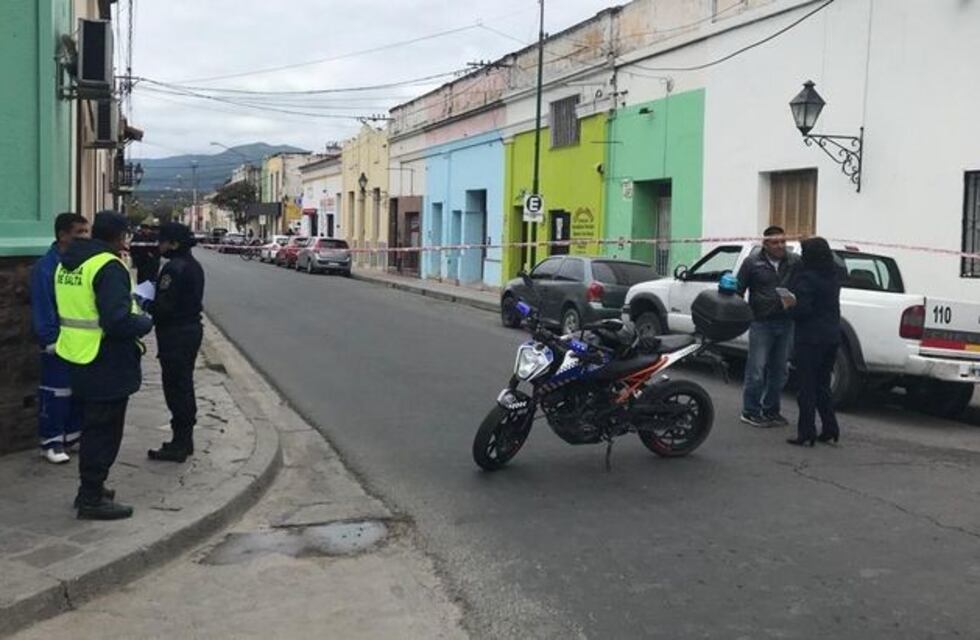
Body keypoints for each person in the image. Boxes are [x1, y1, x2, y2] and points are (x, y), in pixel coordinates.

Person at [55, 211, 153, 520]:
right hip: (106, 360)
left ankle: (91, 487)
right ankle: (91, 498)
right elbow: (117, 320)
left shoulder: (68, 262)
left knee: (92, 427)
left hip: (78, 355)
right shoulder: (108, 266)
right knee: (104, 431)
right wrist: (145, 322)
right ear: (119, 236)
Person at [30, 212, 90, 463]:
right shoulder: (46, 267)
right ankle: (51, 442)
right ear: (63, 235)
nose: (85, 237)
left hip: (79, 341)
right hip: (57, 342)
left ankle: (72, 436)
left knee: (76, 392)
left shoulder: (81, 263)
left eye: (87, 232)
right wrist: (49, 340)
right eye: (79, 233)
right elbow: (43, 306)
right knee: (56, 393)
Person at [147, 222, 205, 463]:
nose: (159, 245)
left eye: (162, 241)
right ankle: (185, 440)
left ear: (174, 243)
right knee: (184, 384)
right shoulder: (193, 265)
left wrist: (145, 303)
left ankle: (179, 443)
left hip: (176, 334)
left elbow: (164, 307)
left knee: (176, 388)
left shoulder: (173, 269)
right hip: (190, 330)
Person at [736, 225, 800, 427]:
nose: (780, 246)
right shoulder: (752, 263)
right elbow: (739, 290)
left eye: (783, 241)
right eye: (775, 242)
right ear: (765, 244)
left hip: (786, 321)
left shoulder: (794, 262)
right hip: (761, 322)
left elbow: (802, 285)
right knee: (756, 369)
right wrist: (742, 313)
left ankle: (771, 409)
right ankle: (750, 410)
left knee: (780, 370)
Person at [785, 237, 842, 447]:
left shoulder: (807, 278)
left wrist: (789, 306)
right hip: (832, 336)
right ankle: (830, 427)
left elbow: (802, 309)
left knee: (806, 386)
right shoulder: (833, 275)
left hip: (810, 337)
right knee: (823, 385)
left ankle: (806, 431)